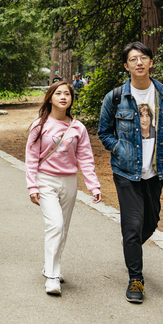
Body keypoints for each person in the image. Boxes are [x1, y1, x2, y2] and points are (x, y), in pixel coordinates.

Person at [98, 41, 163, 303]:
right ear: (126, 66)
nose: (139, 62)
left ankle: (130, 245)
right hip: (126, 172)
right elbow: (104, 132)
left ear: (151, 62)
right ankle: (136, 279)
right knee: (133, 225)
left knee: (151, 222)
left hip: (154, 171)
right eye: (133, 59)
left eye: (143, 57)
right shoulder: (115, 97)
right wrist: (120, 149)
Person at [25, 81, 102, 296]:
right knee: (55, 225)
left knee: (63, 228)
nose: (63, 97)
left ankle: (52, 266)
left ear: (71, 99)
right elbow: (31, 159)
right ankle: (51, 276)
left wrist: (93, 185)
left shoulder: (78, 127)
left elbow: (85, 158)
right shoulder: (39, 126)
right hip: (46, 180)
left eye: (67, 93)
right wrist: (32, 186)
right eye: (58, 93)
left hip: (69, 181)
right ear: (50, 98)